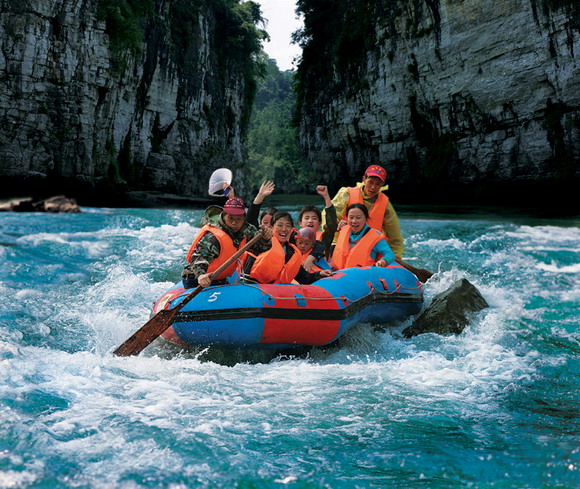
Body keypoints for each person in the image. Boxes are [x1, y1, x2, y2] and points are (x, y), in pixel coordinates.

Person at [182, 197, 272, 288]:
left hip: (219, 278)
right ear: (223, 216)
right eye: (230, 218)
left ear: (244, 218)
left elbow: (259, 249)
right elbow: (199, 258)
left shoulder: (248, 230)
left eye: (238, 219)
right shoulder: (213, 237)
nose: (234, 223)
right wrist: (201, 275)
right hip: (198, 279)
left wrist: (265, 239)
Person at [322, 165, 404, 260]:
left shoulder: (385, 204)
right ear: (364, 179)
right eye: (370, 182)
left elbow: (394, 236)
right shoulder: (346, 193)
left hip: (370, 248)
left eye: (377, 184)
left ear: (382, 184)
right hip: (341, 243)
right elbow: (329, 217)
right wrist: (337, 226)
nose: (373, 187)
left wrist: (396, 257)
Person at [245, 211, 333, 284]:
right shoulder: (262, 243)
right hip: (254, 287)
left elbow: (304, 278)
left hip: (277, 292)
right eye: (280, 225)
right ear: (271, 227)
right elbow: (250, 221)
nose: (284, 229)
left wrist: (319, 274)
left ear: (292, 229)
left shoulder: (291, 252)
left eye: (288, 226)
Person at [331, 203, 395, 270]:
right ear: (347, 218)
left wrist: (383, 261)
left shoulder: (375, 237)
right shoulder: (342, 229)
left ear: (366, 219)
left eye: (358, 218)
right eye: (351, 217)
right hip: (337, 274)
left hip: (361, 276)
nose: (354, 221)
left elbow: (390, 254)